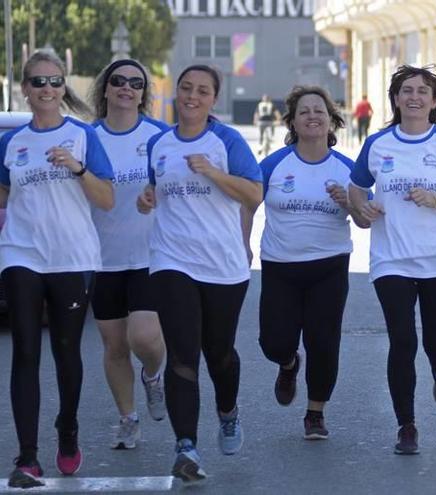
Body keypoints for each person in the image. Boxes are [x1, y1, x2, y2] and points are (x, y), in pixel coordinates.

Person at [136, 64, 262, 481]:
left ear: (214, 99)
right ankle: (185, 447)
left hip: (222, 265)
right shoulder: (159, 143)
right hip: (172, 259)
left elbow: (253, 193)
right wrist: (148, 198)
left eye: (202, 91)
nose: (192, 96)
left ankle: (228, 411)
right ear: (176, 93)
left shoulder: (226, 141)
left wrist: (213, 172)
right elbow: (156, 190)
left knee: (219, 355)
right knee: (183, 356)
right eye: (186, 88)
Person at [0, 51, 114, 488]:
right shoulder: (12, 144)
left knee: (66, 351)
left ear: (63, 87)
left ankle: (67, 433)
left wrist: (78, 169)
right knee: (25, 351)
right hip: (21, 254)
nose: (47, 88)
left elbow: (105, 199)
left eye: (54, 81)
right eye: (38, 82)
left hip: (72, 257)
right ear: (25, 90)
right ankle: (27, 456)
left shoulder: (83, 137)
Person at [348, 65, 436, 455]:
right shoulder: (379, 143)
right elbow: (357, 189)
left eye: (423, 91)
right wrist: (362, 210)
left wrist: (435, 199)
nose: (415, 97)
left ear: (434, 102)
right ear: (397, 98)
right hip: (393, 259)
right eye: (407, 91)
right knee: (402, 341)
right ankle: (406, 425)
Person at [249, 85, 368, 440]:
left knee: (323, 341)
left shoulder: (347, 168)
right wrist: (241, 244)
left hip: (329, 266)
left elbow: (365, 220)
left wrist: (348, 201)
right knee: (273, 341)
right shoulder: (273, 164)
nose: (313, 116)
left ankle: (315, 412)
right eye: (304, 111)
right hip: (280, 266)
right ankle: (288, 363)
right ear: (293, 122)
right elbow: (246, 204)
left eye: (320, 110)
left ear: (331, 120)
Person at [88, 58, 169, 450]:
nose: (126, 88)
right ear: (105, 89)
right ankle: (128, 418)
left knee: (145, 338)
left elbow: (183, 182)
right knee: (115, 347)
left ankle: (153, 376)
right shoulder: (86, 138)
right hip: (102, 259)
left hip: (150, 255)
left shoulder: (159, 136)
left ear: (143, 94)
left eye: (135, 83)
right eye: (118, 81)